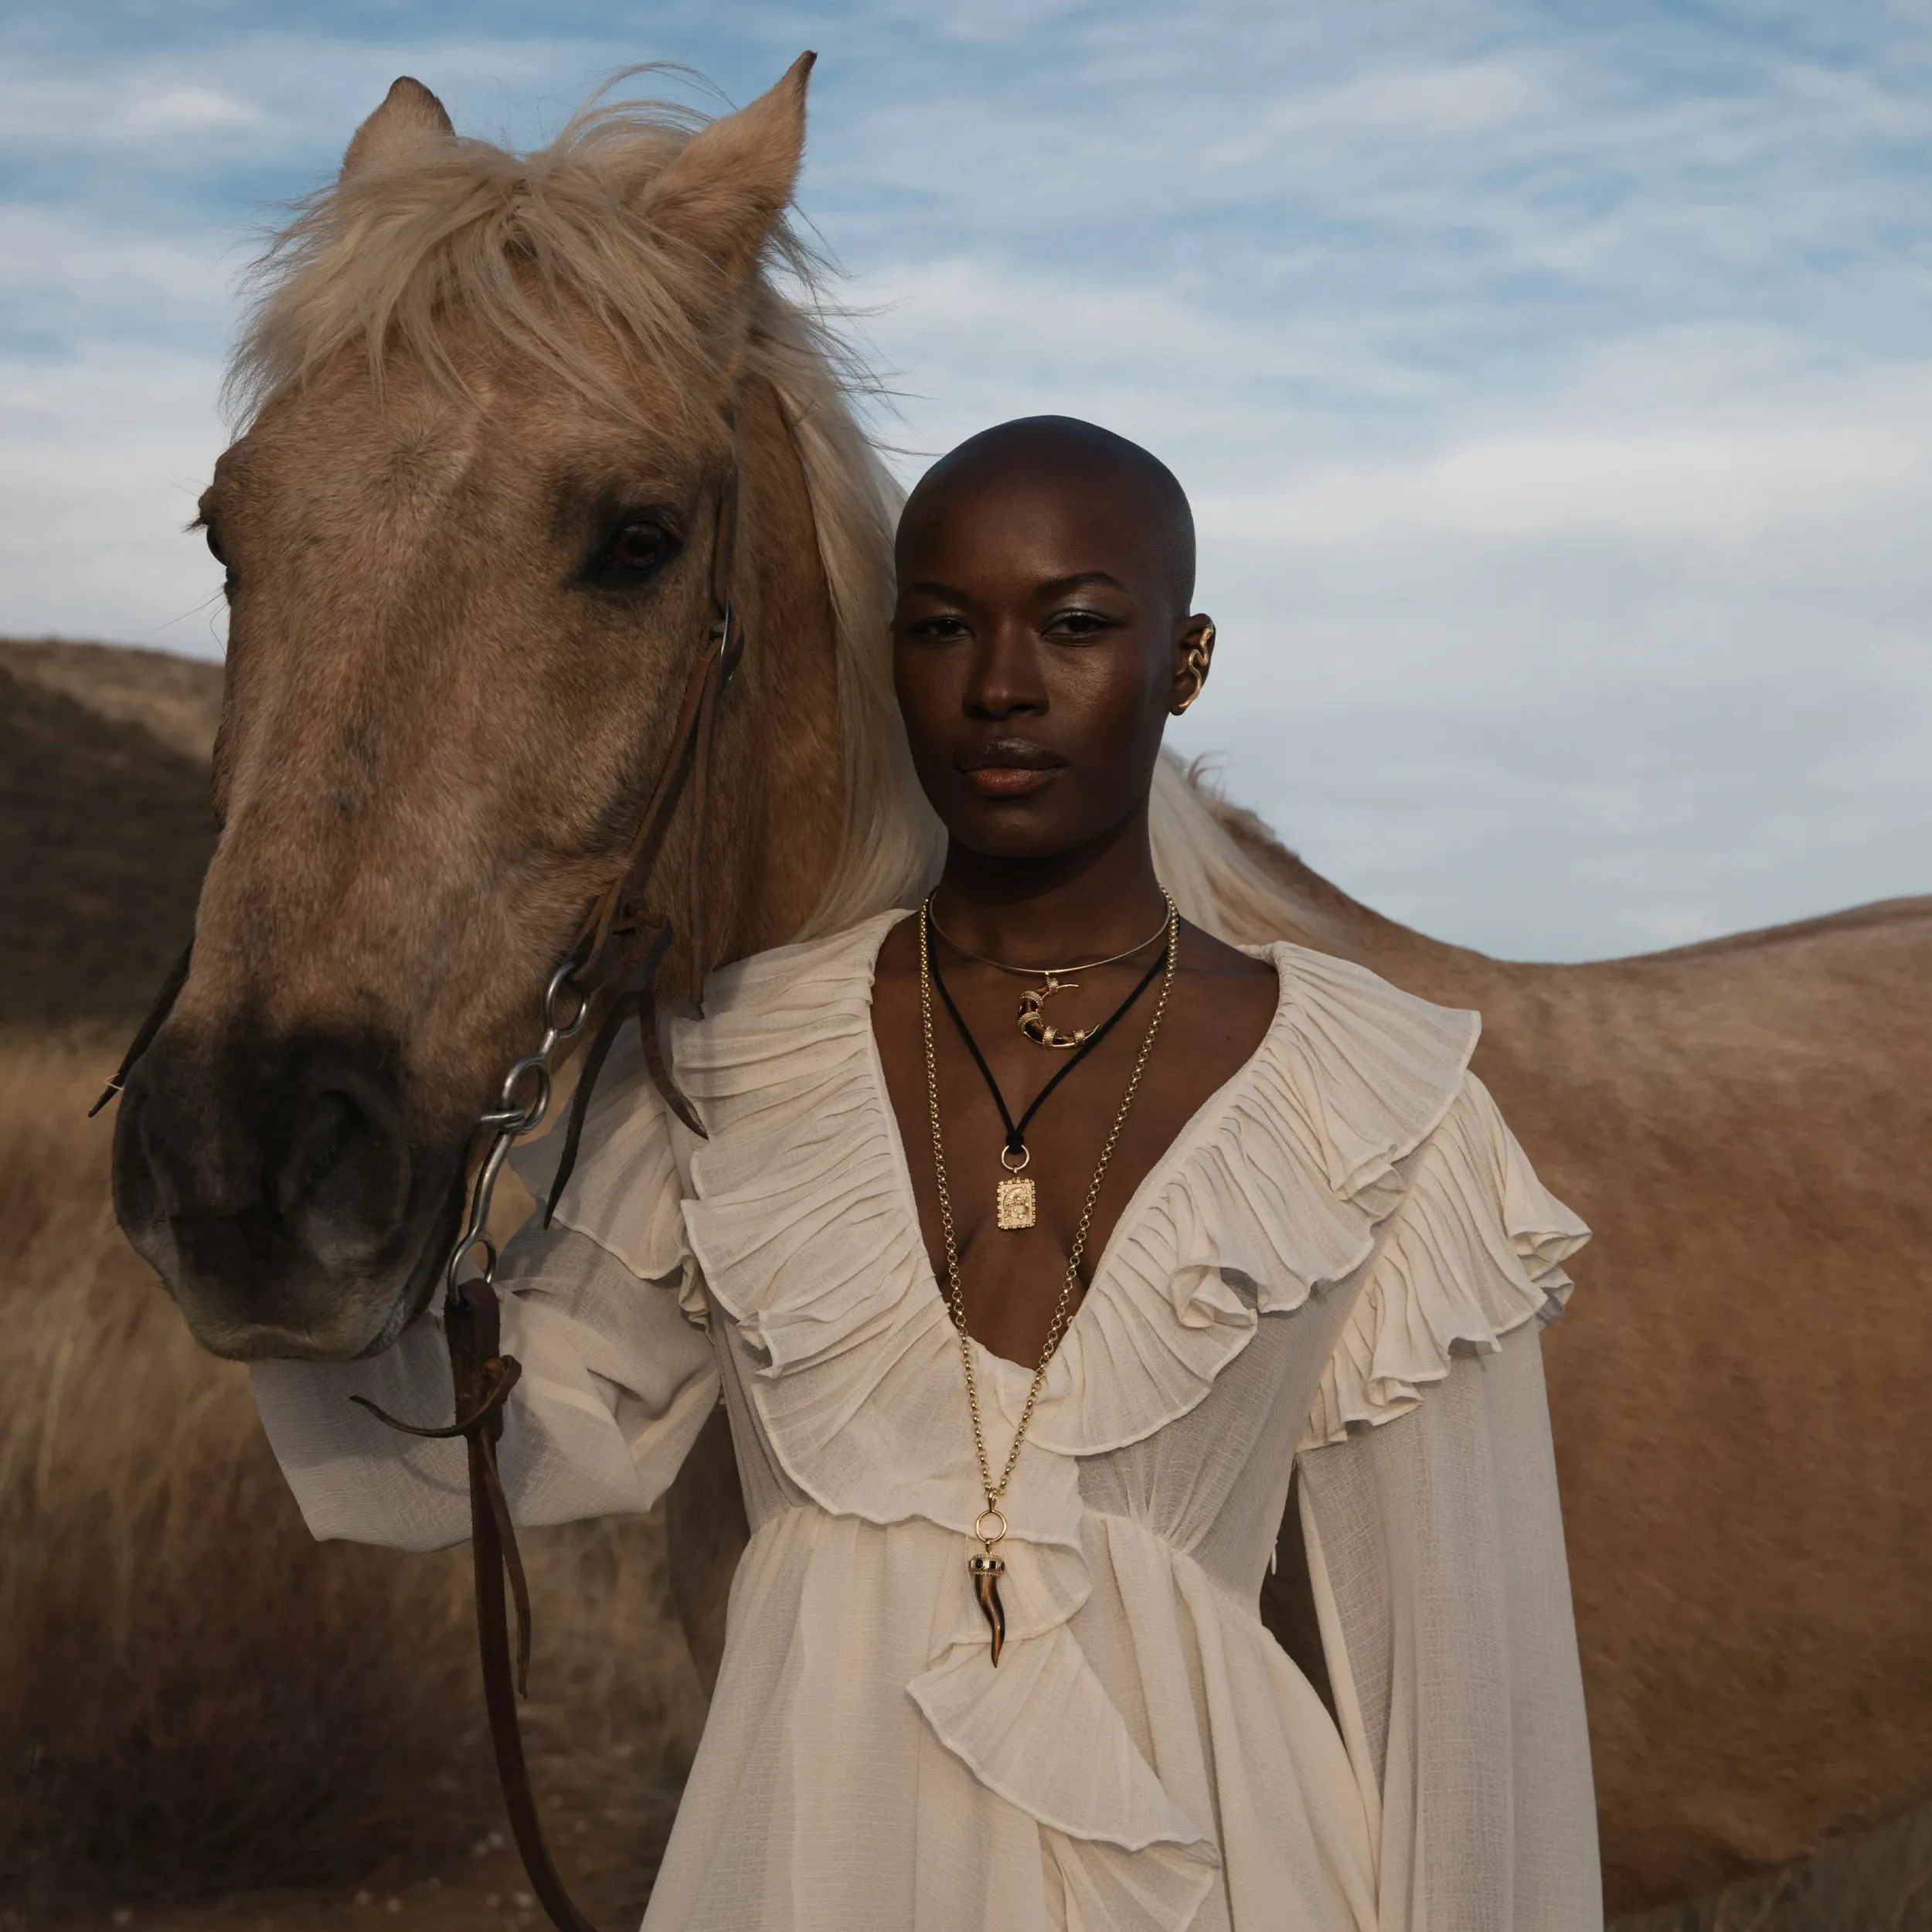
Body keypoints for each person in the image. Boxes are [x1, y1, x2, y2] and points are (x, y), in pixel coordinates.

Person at [252, 417, 1602, 1930]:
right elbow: (518, 1437)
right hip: (810, 1860)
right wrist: (293, 1201)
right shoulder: (728, 1070)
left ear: (1186, 657)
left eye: (1076, 623)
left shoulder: (1368, 1099)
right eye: (943, 627)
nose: (1001, 685)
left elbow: (1462, 1692)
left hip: (1222, 1873)